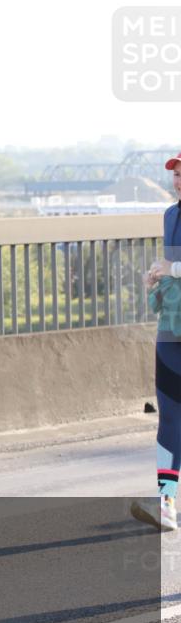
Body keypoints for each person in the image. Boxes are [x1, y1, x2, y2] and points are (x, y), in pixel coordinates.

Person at [131, 151, 181, 532]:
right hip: (171, 332)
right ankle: (166, 503)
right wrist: (157, 278)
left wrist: (174, 268)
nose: (177, 180)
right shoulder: (170, 216)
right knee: (169, 420)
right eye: (175, 174)